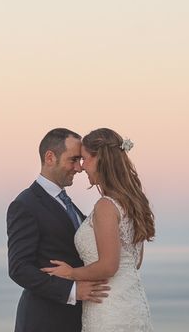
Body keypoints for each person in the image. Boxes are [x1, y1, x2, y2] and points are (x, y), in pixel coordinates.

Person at [42, 128, 155, 331]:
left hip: (108, 308)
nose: (82, 167)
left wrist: (71, 273)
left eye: (85, 159)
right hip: (132, 305)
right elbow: (134, 262)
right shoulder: (132, 203)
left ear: (100, 159)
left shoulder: (106, 206)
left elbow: (109, 266)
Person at [7, 128, 111, 332]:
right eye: (73, 160)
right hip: (45, 320)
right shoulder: (25, 205)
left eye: (80, 160)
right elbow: (19, 268)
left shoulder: (69, 205)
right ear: (50, 157)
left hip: (78, 320)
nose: (79, 168)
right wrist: (73, 290)